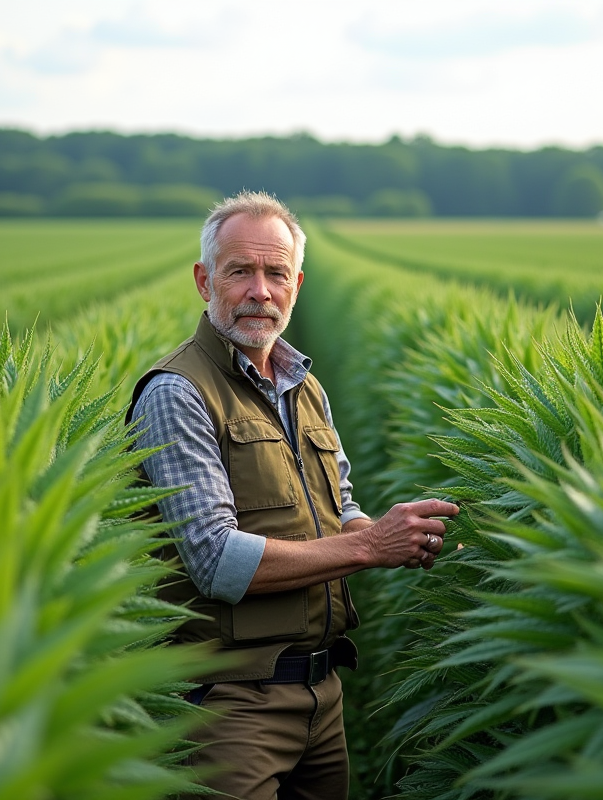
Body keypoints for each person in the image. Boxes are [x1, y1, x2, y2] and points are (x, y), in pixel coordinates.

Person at [125, 190, 458, 800]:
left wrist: (398, 534)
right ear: (204, 281)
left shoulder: (305, 388)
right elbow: (216, 560)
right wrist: (371, 548)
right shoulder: (177, 394)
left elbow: (340, 510)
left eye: (276, 273)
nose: (261, 291)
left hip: (322, 696)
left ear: (297, 285)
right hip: (229, 705)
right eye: (240, 272)